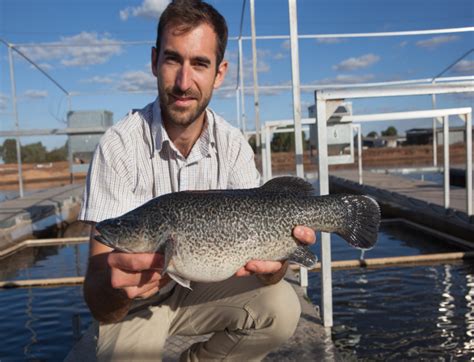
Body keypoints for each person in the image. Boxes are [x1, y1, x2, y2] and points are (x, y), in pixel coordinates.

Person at [80, 0, 316, 360]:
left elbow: (268, 268)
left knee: (282, 307)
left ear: (219, 73)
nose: (183, 82)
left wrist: (277, 263)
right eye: (173, 59)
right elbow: (99, 298)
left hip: (210, 289)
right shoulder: (118, 146)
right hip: (137, 307)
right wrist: (118, 289)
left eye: (200, 64)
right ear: (155, 61)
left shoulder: (233, 145)